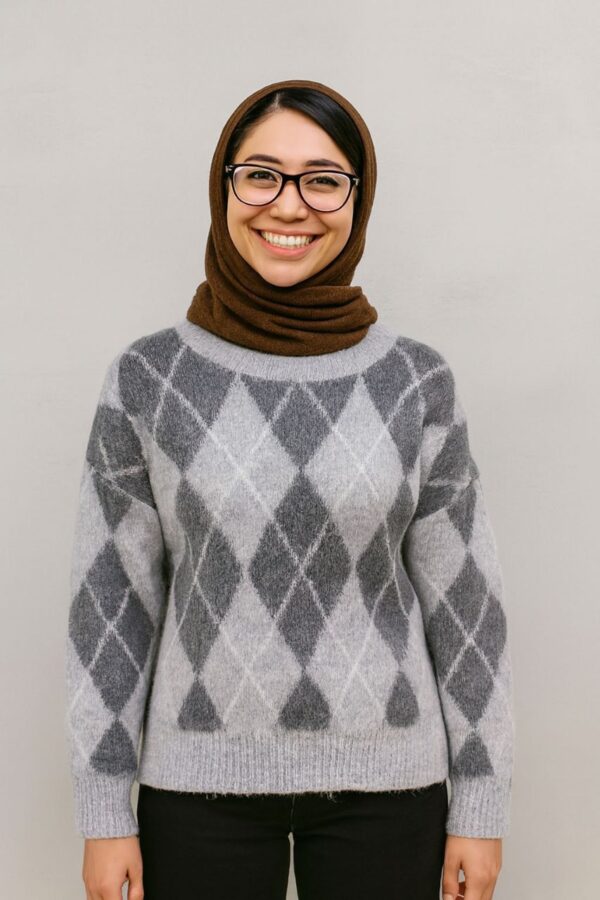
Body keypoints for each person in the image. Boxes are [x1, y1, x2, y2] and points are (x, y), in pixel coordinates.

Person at [65, 78, 515, 900]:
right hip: (196, 790)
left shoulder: (415, 382)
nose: (289, 204)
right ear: (224, 186)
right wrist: (104, 815)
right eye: (262, 174)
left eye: (323, 179)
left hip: (391, 789)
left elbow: (467, 608)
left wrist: (481, 807)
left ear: (358, 199)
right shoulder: (149, 379)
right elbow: (110, 606)